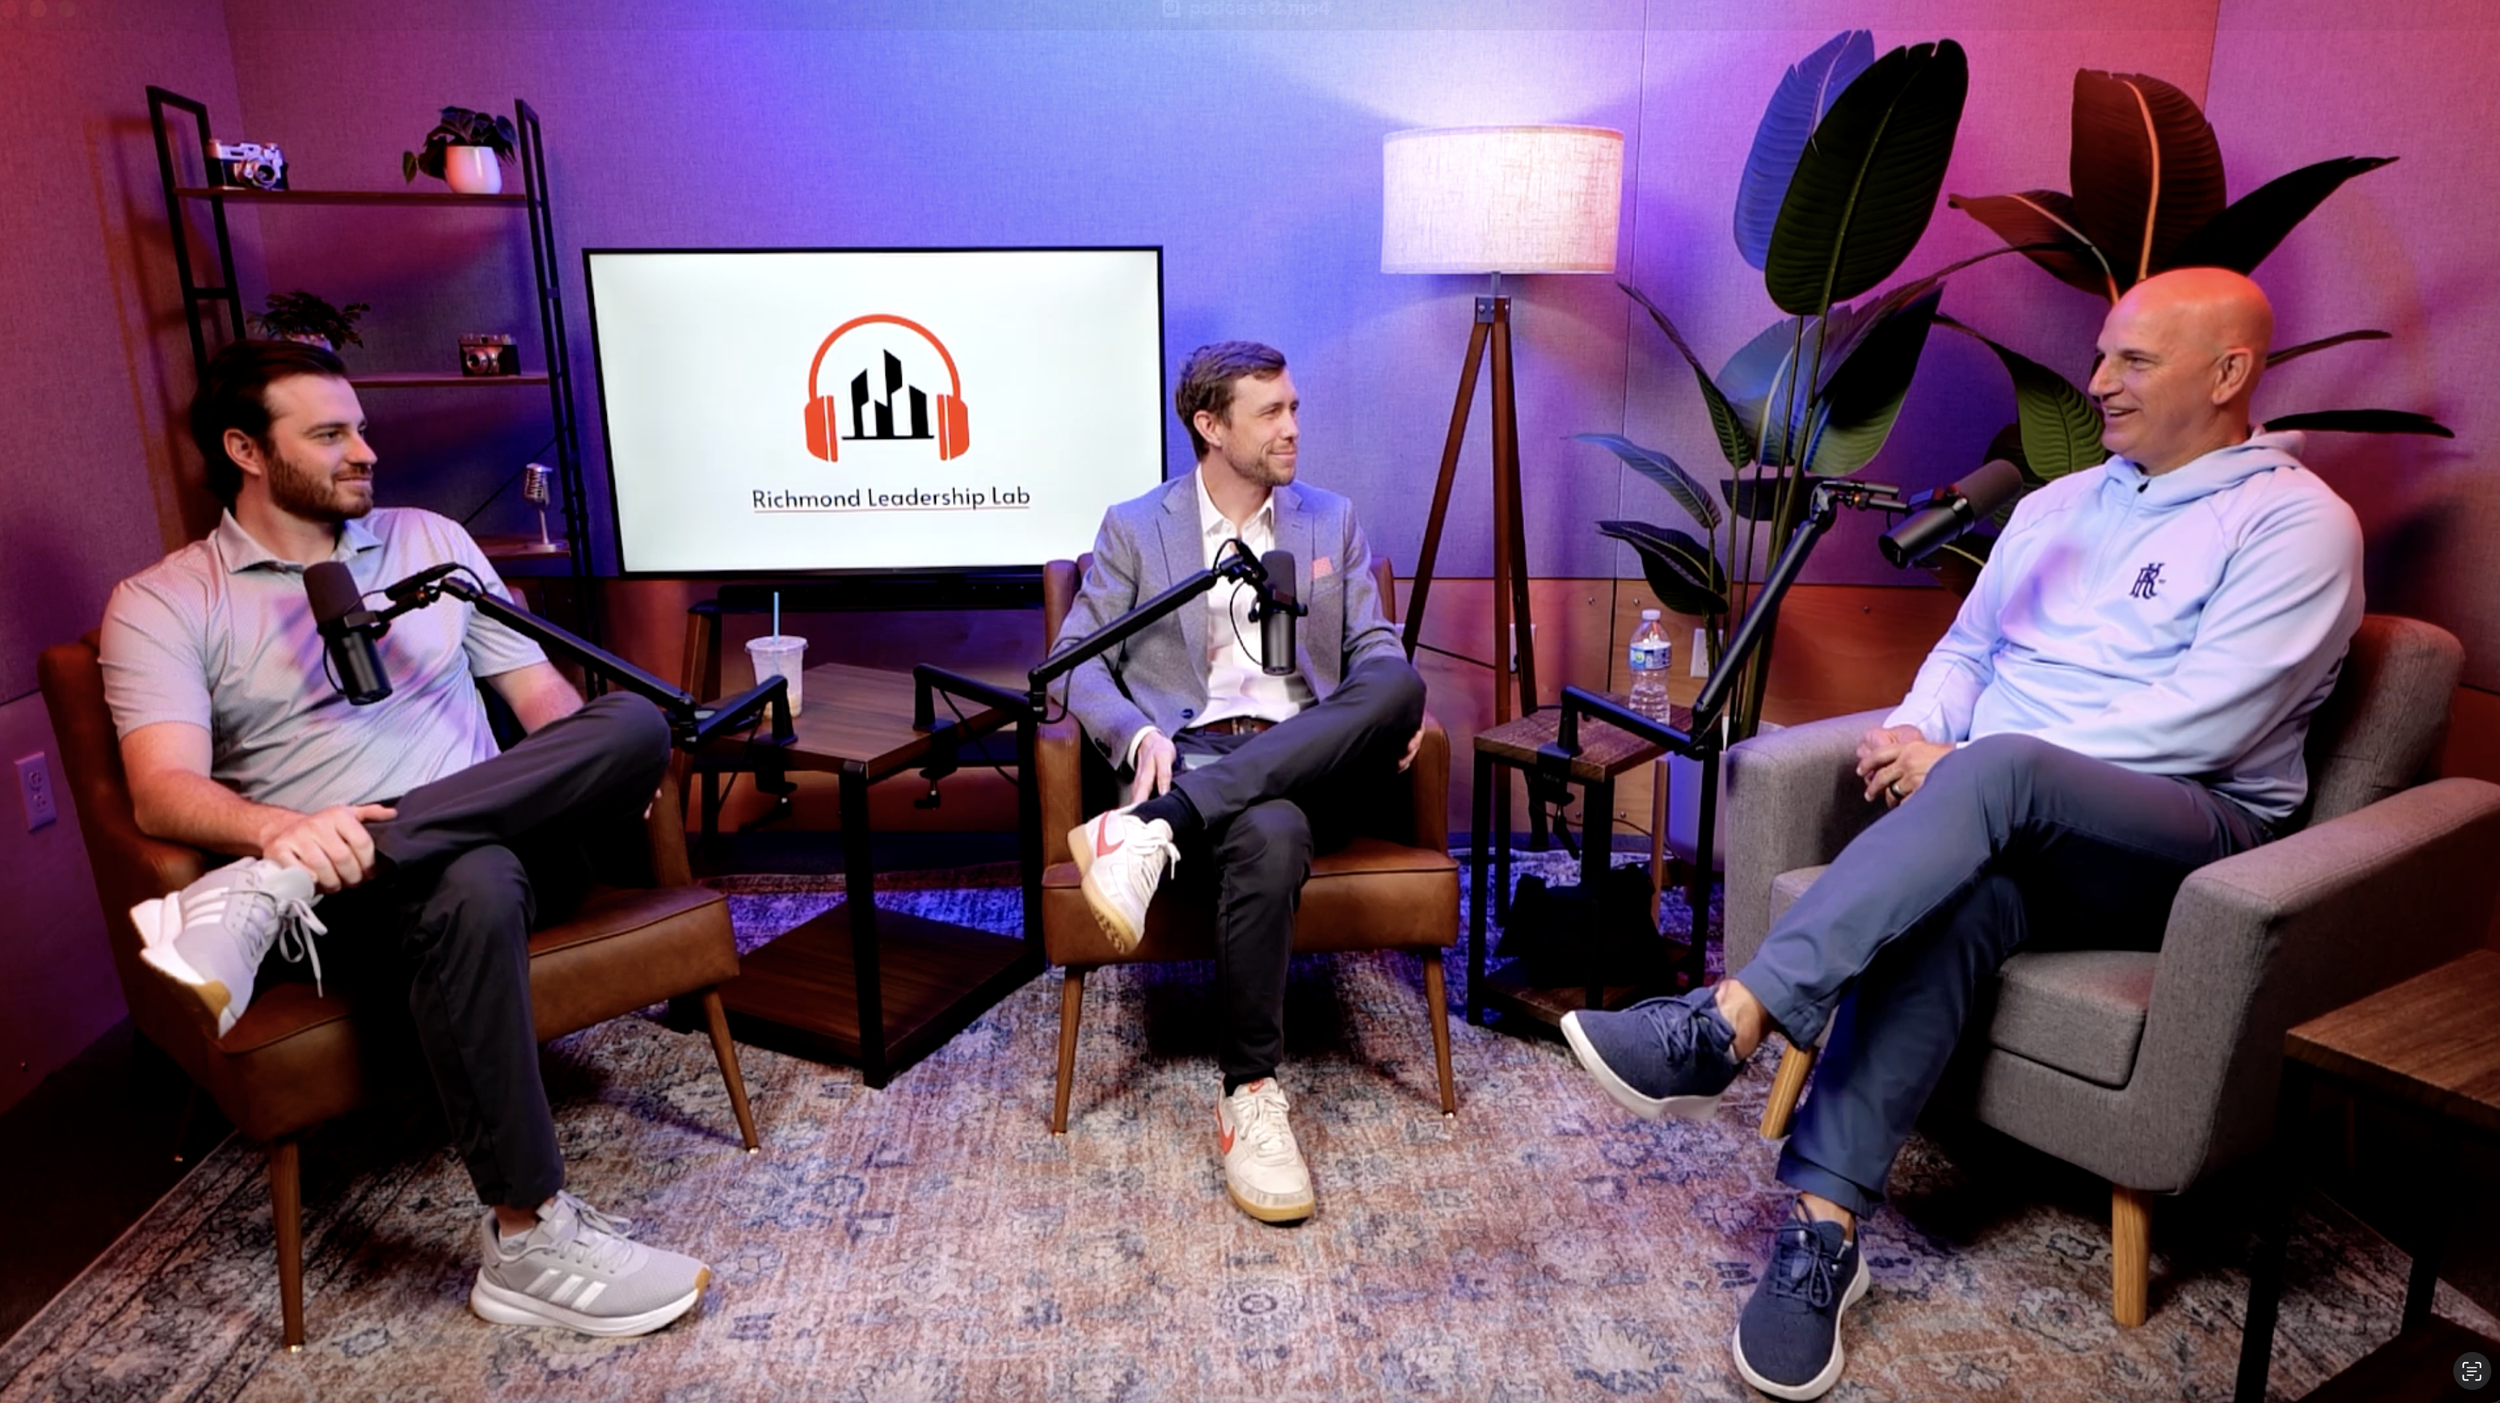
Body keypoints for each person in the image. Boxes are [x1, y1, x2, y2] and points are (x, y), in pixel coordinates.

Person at [1558, 268, 2363, 1400]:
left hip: (2186, 835)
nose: (2095, 382)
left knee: (2006, 768)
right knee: (1961, 900)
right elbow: (1969, 651)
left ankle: (1726, 1022)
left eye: (2132, 360)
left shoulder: (2295, 524)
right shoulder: (2055, 504)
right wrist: (1916, 729)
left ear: (2229, 372)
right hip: (2016, 825)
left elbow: (2207, 719)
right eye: (2099, 354)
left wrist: (1976, 765)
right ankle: (1824, 1233)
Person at [100, 339, 713, 1338]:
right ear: (246, 450)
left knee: (636, 722)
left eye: (362, 427)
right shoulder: (168, 599)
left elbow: (541, 696)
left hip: (518, 848)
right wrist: (282, 834)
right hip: (348, 902)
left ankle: (255, 896)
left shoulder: (430, 541)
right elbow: (163, 789)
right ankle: (527, 1237)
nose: (365, 451)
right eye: (331, 433)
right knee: (463, 874)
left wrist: (590, 777)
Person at [1055, 341, 1428, 1224]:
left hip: (1311, 750)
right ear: (1210, 425)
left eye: (1295, 407)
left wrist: (1389, 707)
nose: (1293, 427)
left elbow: (1374, 650)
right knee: (1271, 832)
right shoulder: (1136, 528)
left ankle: (1156, 830)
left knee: (1402, 682)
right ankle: (1251, 1093)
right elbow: (1074, 664)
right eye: (1271, 413)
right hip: (1198, 757)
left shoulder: (1329, 520)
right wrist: (1137, 731)